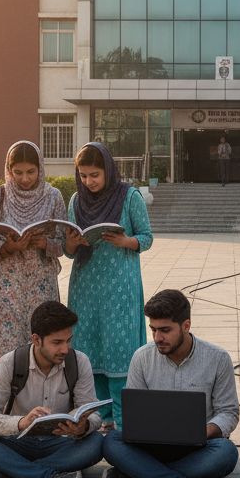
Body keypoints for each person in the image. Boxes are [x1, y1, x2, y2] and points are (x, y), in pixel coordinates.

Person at [101, 289, 239, 478]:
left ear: (186, 325)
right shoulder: (142, 357)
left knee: (226, 453)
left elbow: (228, 413)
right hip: (151, 448)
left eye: (165, 330)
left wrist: (205, 431)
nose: (157, 338)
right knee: (110, 442)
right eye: (153, 330)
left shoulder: (217, 358)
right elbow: (133, 413)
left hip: (198, 448)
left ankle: (138, 475)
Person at [0, 301, 104, 478]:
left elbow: (93, 412)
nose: (65, 349)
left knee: (97, 442)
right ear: (37, 340)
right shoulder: (10, 363)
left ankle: (12, 474)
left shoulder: (79, 362)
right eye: (57, 343)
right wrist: (21, 422)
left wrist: (83, 426)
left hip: (60, 444)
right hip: (18, 442)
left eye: (68, 341)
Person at [64, 141, 153, 429]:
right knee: (89, 349)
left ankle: (125, 422)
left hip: (120, 287)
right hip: (85, 286)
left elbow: (147, 237)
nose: (88, 182)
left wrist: (127, 241)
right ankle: (99, 418)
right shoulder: (76, 202)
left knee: (120, 350)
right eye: (83, 175)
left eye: (95, 175)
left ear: (108, 171)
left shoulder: (129, 197)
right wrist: (72, 243)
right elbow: (68, 250)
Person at [0, 141, 67, 366]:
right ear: (8, 170)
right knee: (8, 351)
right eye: (17, 172)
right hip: (6, 285)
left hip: (42, 282)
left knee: (43, 343)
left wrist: (44, 244)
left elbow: (63, 243)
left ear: (40, 168)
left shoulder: (53, 197)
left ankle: (43, 398)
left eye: (31, 172)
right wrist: (8, 247)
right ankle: (8, 399)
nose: (25, 179)